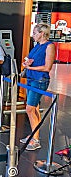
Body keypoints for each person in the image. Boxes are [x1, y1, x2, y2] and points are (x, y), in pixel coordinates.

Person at [21, 23, 55, 151]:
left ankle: (35, 140)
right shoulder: (36, 46)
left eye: (35, 33)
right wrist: (27, 63)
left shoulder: (49, 46)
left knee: (29, 109)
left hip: (39, 80)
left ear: (42, 33)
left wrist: (30, 67)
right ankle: (35, 136)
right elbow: (29, 59)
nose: (33, 35)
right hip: (31, 78)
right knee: (34, 108)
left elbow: (47, 67)